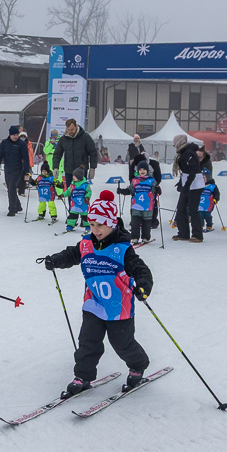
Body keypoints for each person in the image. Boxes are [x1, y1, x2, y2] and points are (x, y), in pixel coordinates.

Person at [43, 190, 152, 397]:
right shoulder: (86, 244)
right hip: (93, 304)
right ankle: (83, 376)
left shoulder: (122, 249)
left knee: (122, 344)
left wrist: (143, 286)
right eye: (91, 224)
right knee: (87, 342)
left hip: (119, 308)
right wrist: (55, 260)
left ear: (112, 223)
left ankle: (138, 365)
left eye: (100, 225)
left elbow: (141, 270)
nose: (95, 229)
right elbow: (71, 255)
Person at [171, 135, 204, 243]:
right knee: (181, 208)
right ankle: (183, 233)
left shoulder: (189, 153)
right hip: (187, 183)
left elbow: (193, 171)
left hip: (195, 185)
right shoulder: (183, 152)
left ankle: (197, 235)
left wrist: (187, 185)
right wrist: (182, 184)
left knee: (193, 209)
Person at [51, 118, 98, 189]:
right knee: (70, 192)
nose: (70, 131)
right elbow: (57, 154)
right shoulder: (63, 139)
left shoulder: (85, 137)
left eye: (72, 129)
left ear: (76, 127)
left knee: (81, 193)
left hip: (81, 171)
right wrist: (55, 167)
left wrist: (92, 168)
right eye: (68, 129)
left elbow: (93, 153)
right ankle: (70, 201)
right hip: (69, 171)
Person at [0, 125, 30, 217]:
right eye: (14, 134)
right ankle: (18, 206)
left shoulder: (21, 144)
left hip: (18, 169)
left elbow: (26, 158)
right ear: (10, 135)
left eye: (17, 134)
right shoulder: (4, 143)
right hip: (7, 169)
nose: (16, 136)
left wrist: (27, 172)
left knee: (12, 188)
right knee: (10, 189)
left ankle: (12, 209)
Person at [120, 159, 156, 243]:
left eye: (144, 169)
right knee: (135, 222)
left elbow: (155, 191)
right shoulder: (135, 181)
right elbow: (131, 190)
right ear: (138, 171)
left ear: (147, 170)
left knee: (146, 222)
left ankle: (146, 237)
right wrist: (123, 191)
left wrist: (157, 190)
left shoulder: (151, 181)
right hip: (136, 205)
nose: (142, 171)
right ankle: (134, 237)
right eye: (140, 170)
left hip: (148, 205)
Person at [65, 166, 92, 232]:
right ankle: (70, 225)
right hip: (75, 204)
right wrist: (62, 195)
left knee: (85, 216)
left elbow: (89, 192)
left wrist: (87, 197)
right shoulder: (72, 185)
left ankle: (87, 225)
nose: (73, 177)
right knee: (72, 215)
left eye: (75, 176)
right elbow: (68, 192)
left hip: (83, 204)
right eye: (73, 176)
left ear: (79, 177)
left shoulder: (85, 185)